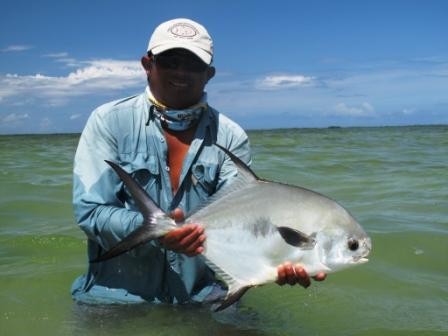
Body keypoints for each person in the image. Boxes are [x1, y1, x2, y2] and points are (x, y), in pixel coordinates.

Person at [71, 18, 325, 306]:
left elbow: (245, 219)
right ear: (147, 64)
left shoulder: (230, 136)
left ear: (209, 74)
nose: (181, 72)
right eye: (170, 61)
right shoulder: (109, 122)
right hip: (114, 298)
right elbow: (90, 212)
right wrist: (158, 232)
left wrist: (282, 259)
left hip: (206, 300)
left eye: (193, 65)